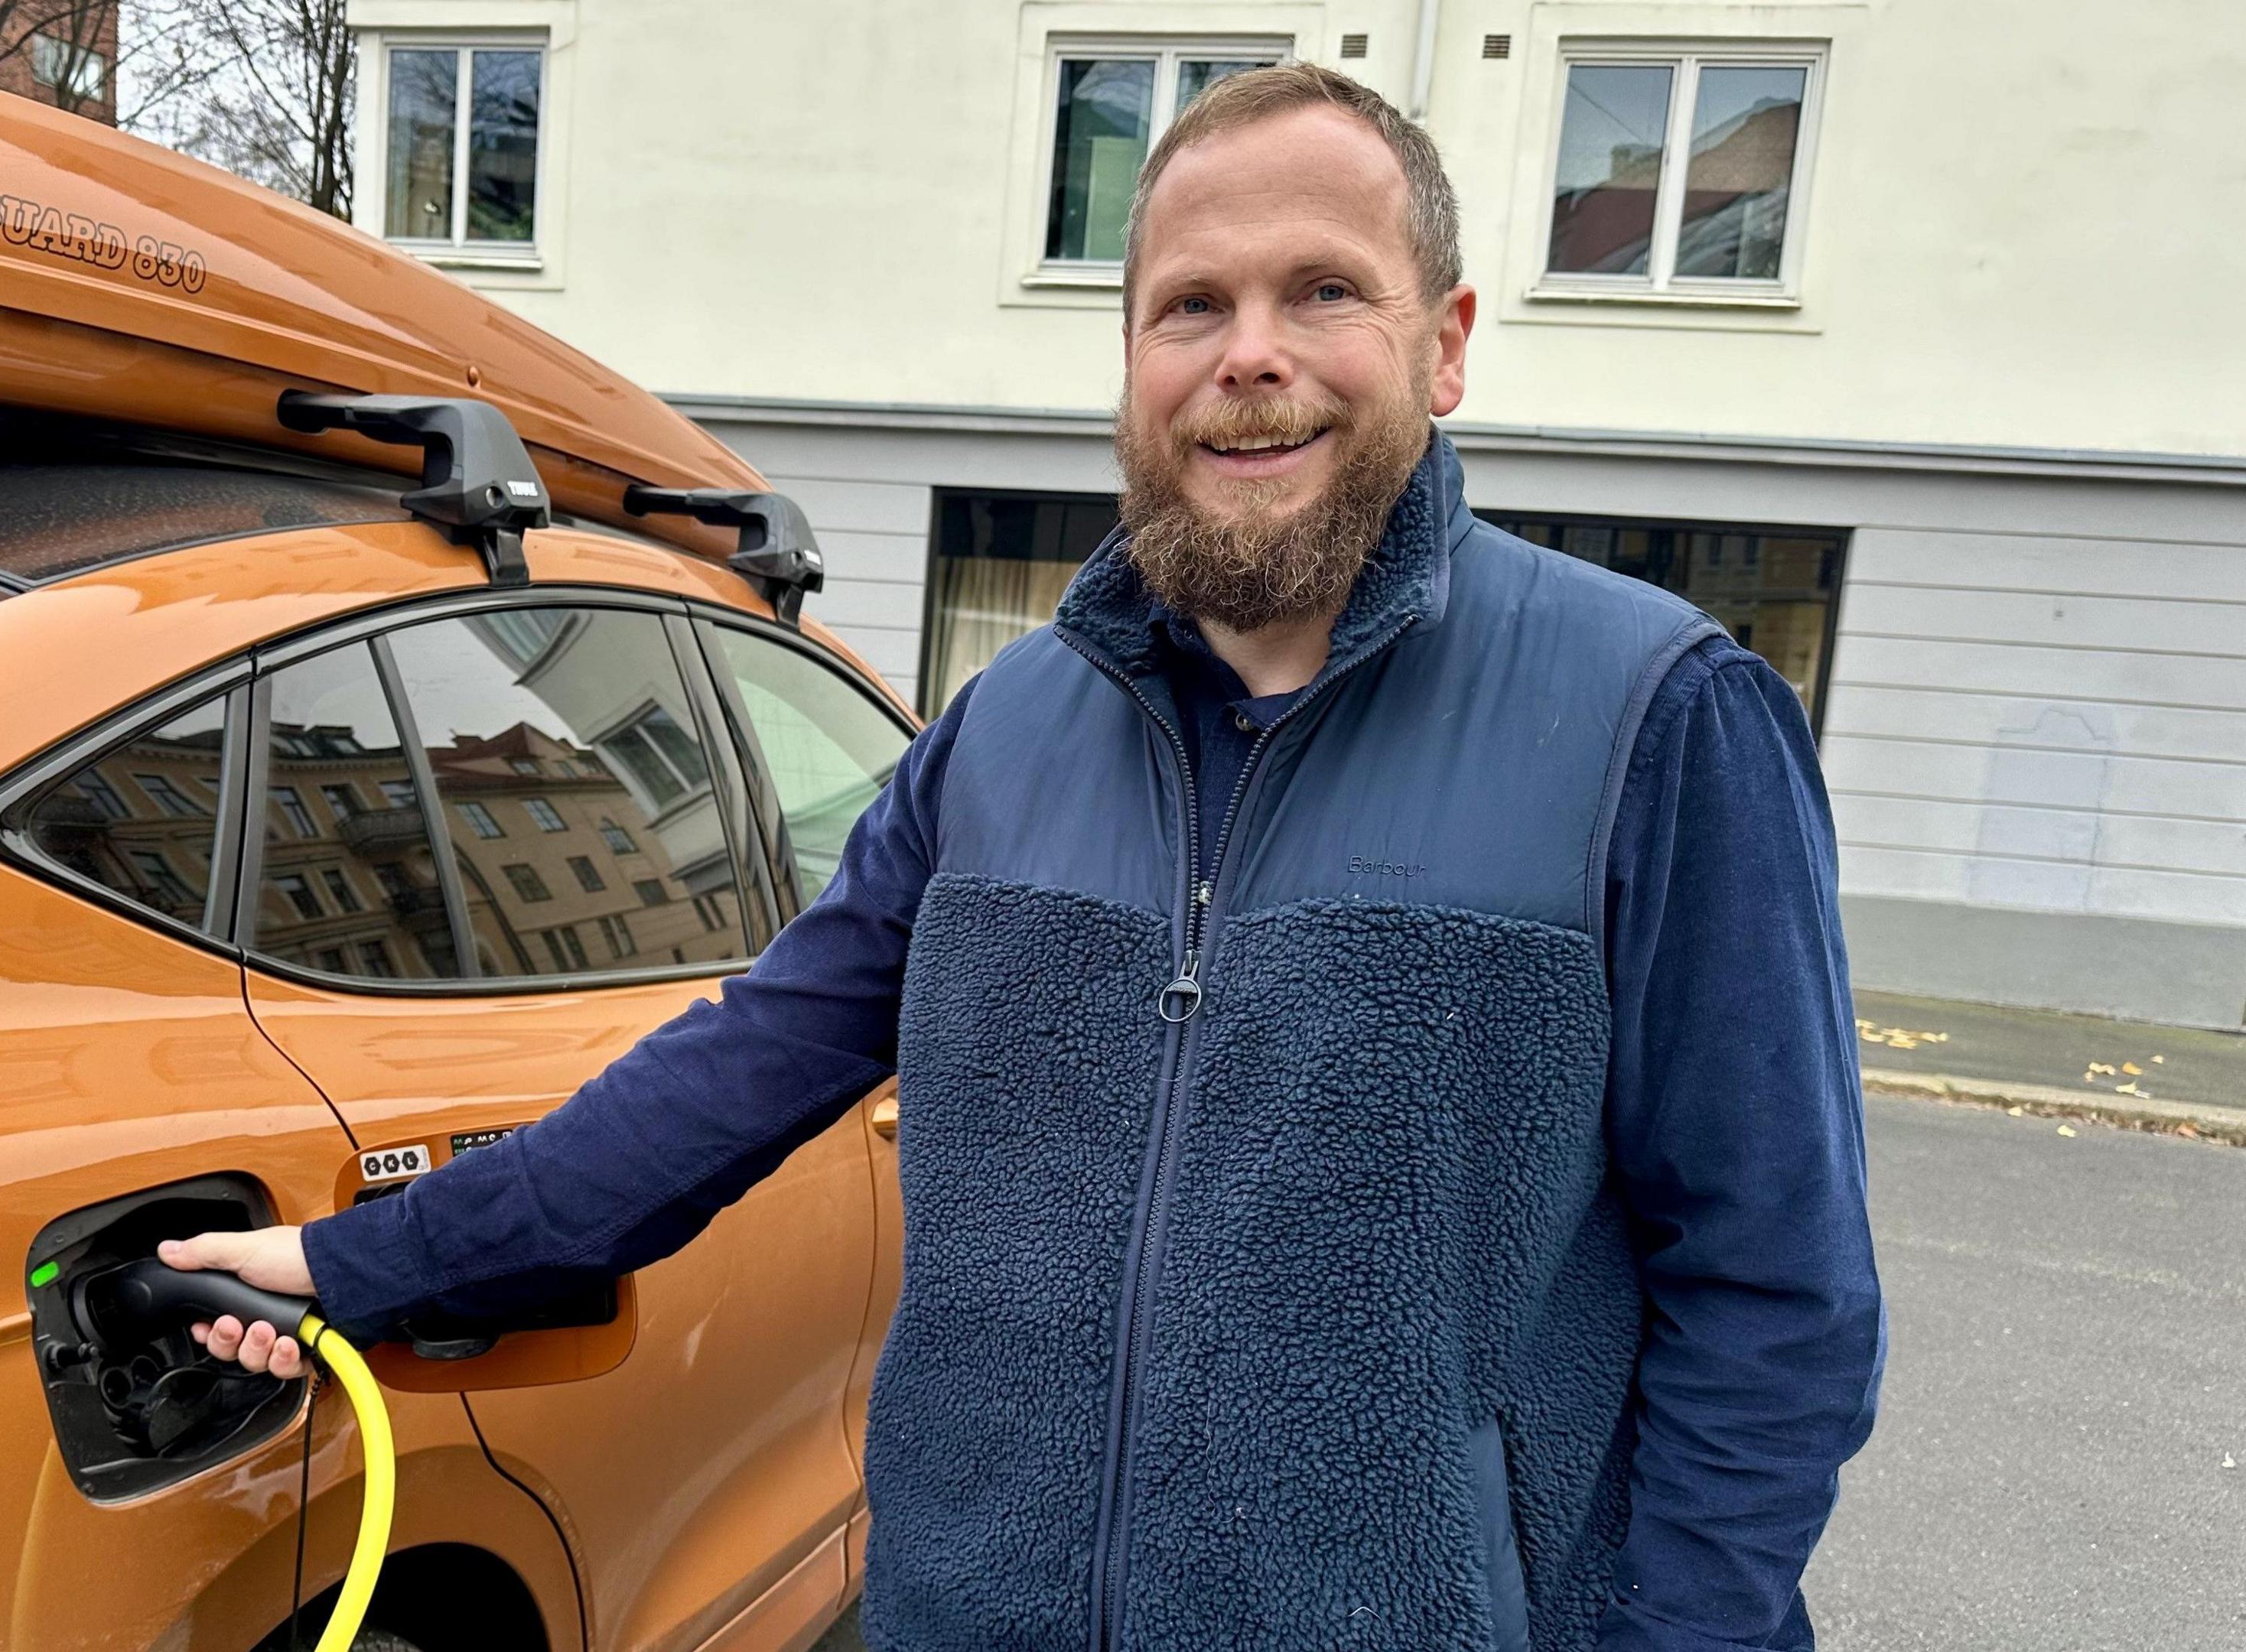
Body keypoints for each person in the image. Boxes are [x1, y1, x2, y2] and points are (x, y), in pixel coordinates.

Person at [161, 62, 1883, 1652]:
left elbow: (1778, 1306)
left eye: (1324, 291)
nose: (1250, 352)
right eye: (1190, 306)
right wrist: (360, 1265)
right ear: (1131, 359)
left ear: (1445, 345)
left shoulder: (1657, 717)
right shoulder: (1007, 733)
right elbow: (735, 1073)